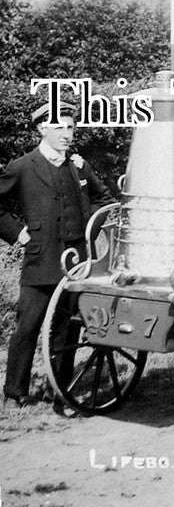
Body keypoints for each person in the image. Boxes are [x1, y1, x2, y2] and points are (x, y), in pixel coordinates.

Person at [0, 102, 112, 410]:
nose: (67, 133)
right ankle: (15, 391)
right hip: (40, 260)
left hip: (76, 261)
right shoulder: (23, 166)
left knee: (68, 328)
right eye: (59, 127)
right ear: (42, 129)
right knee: (28, 326)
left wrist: (89, 227)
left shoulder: (79, 165)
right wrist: (16, 232)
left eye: (71, 127)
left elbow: (104, 198)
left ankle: (59, 388)